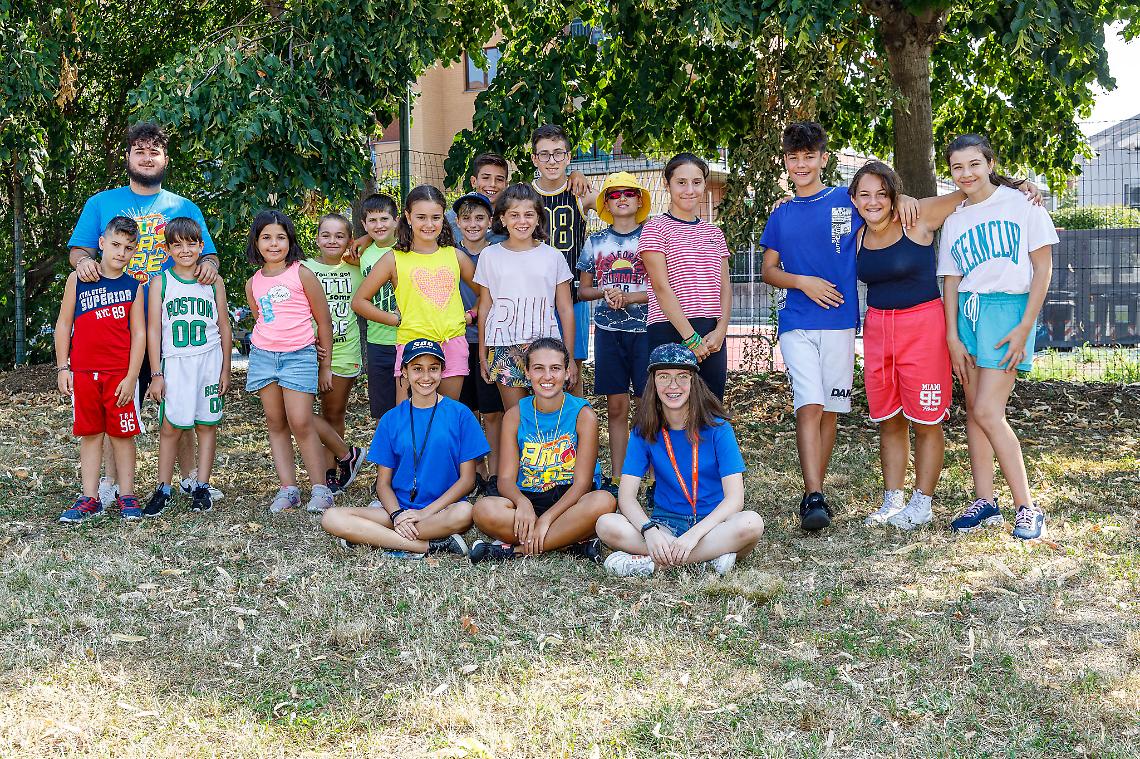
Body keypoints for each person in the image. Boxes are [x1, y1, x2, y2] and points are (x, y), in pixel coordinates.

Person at [760, 122, 921, 532]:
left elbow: (882, 205)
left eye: (809, 156)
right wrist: (802, 282)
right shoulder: (781, 212)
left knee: (830, 409)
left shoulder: (846, 202)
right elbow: (768, 270)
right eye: (794, 158)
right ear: (785, 161)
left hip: (840, 322)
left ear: (823, 159)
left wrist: (905, 201)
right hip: (796, 320)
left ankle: (817, 490)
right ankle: (813, 494)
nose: (801, 164)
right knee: (808, 403)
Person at [67, 121, 222, 506]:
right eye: (140, 150)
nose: (147, 157)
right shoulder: (101, 203)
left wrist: (211, 266)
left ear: (165, 158)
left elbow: (209, 254)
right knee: (116, 404)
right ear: (128, 157)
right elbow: (79, 251)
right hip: (118, 324)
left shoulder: (183, 207)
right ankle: (110, 483)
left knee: (181, 400)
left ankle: (189, 478)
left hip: (173, 321)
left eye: (154, 151)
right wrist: (83, 264)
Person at [938, 135, 1057, 540]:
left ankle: (1027, 507)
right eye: (957, 167)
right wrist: (953, 336)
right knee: (974, 410)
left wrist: (1025, 326)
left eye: (974, 164)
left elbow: (1042, 268)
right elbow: (951, 281)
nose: (966, 173)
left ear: (989, 162)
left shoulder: (1024, 204)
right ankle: (986, 502)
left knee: (989, 411)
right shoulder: (954, 218)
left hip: (1009, 312)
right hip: (968, 315)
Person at [596, 344, 764, 577]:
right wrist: (649, 531)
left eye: (682, 377)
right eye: (664, 377)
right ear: (652, 382)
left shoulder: (718, 428)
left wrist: (694, 536)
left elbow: (735, 499)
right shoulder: (643, 431)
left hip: (712, 526)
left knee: (751, 523)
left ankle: (654, 563)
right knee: (606, 524)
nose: (673, 386)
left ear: (693, 382)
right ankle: (707, 560)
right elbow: (626, 498)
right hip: (665, 525)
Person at [320, 339, 485, 559]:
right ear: (404, 372)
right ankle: (426, 546)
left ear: (442, 371)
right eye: (417, 369)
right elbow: (383, 484)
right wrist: (398, 515)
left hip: (440, 511)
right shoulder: (391, 419)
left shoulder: (460, 414)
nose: (426, 377)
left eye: (433, 369)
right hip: (397, 511)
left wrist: (424, 513)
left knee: (465, 513)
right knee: (331, 518)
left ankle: (372, 537)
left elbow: (467, 481)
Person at [470, 338, 616, 563]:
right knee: (483, 510)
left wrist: (547, 518)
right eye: (539, 368)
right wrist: (523, 503)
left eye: (555, 368)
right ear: (527, 373)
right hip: (530, 496)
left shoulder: (583, 415)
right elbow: (506, 479)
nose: (547, 376)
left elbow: (582, 484)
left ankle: (515, 551)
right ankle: (569, 541)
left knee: (603, 501)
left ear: (567, 372)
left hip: (571, 501)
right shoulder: (515, 415)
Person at [245, 210, 340, 514]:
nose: (274, 244)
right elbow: (261, 319)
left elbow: (323, 322)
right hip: (263, 357)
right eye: (267, 238)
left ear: (290, 240)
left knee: (301, 421)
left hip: (299, 356)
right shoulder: (253, 283)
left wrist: (325, 365)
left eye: (280, 237)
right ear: (257, 242)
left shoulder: (302, 273)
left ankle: (321, 489)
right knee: (275, 422)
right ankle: (289, 489)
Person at [55, 216, 146, 523]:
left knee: (122, 436)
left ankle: (128, 494)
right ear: (102, 244)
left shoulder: (134, 286)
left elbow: (139, 335)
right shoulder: (78, 280)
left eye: (129, 248)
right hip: (83, 373)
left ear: (135, 251)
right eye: (116, 245)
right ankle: (89, 497)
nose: (121, 252)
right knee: (91, 434)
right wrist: (62, 367)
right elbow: (64, 324)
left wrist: (133, 376)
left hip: (119, 376)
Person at [352, 185, 476, 402]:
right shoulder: (394, 259)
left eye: (435, 217)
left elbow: (485, 293)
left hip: (452, 344)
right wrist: (393, 319)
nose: (429, 224)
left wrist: (471, 315)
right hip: (412, 346)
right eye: (421, 217)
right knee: (409, 418)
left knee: (445, 415)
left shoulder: (456, 256)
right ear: (408, 217)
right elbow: (360, 301)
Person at [142, 217, 232, 517]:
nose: (184, 250)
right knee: (170, 427)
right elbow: (153, 329)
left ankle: (201, 486)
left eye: (191, 243)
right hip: (176, 364)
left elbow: (224, 326)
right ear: (167, 249)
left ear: (200, 246)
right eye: (177, 244)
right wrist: (156, 373)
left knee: (207, 425)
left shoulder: (212, 280)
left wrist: (226, 369)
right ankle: (163, 488)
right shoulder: (161, 282)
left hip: (208, 361)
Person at [576, 171, 651, 492]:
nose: (622, 198)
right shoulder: (595, 242)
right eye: (614, 194)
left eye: (628, 193)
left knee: (648, 406)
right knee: (617, 406)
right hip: (608, 332)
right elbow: (583, 290)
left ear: (639, 201)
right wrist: (607, 292)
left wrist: (630, 297)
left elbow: (663, 286)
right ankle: (620, 476)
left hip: (646, 332)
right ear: (606, 202)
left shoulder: (651, 237)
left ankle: (649, 476)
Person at [637, 153, 732, 400]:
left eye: (697, 182)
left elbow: (724, 287)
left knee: (710, 410)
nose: (690, 189)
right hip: (670, 329)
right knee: (669, 412)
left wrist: (721, 330)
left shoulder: (714, 233)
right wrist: (690, 338)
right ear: (667, 185)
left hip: (711, 336)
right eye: (681, 182)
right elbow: (660, 287)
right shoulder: (655, 228)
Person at [475, 184, 578, 409]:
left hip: (545, 347)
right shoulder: (489, 256)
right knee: (516, 416)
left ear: (538, 218)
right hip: (503, 346)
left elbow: (565, 309)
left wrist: (568, 357)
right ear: (502, 219)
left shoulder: (553, 256)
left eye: (529, 214)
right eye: (514, 215)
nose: (522, 221)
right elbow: (485, 306)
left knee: (547, 415)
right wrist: (483, 353)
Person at [530, 124, 599, 389]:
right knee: (535, 366)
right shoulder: (525, 194)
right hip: (533, 297)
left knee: (572, 371)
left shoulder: (581, 194)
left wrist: (580, 173)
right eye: (544, 154)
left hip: (573, 295)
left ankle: (577, 427)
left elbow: (619, 206)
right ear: (535, 159)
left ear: (569, 157)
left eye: (559, 153)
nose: (552, 160)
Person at [302, 213, 367, 493]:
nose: (332, 241)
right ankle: (347, 454)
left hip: (344, 350)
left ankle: (330, 473)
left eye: (340, 236)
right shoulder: (303, 268)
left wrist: (362, 242)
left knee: (333, 412)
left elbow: (387, 242)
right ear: (316, 238)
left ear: (349, 241)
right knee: (299, 413)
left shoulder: (359, 267)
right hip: (305, 352)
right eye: (326, 235)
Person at [454, 191, 505, 496]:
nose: (472, 224)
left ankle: (497, 474)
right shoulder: (447, 253)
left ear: (490, 221)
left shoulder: (499, 252)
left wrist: (474, 313)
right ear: (456, 221)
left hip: (493, 341)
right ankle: (475, 472)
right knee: (466, 411)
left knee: (493, 412)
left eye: (479, 218)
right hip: (458, 343)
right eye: (466, 218)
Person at [357, 193, 401, 421]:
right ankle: (386, 455)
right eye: (372, 221)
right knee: (383, 411)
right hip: (377, 341)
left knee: (409, 405)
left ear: (396, 220)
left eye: (384, 219)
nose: (379, 225)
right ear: (364, 225)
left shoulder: (407, 247)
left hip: (406, 338)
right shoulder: (362, 253)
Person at [446, 153, 509, 244]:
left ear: (506, 185)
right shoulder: (451, 219)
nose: (492, 184)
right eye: (486, 178)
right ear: (473, 181)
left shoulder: (511, 219)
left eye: (499, 179)